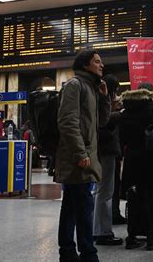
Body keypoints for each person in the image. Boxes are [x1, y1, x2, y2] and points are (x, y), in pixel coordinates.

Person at [55, 49, 111, 262]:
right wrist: (80, 153)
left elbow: (102, 123)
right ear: (85, 65)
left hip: (85, 155)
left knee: (71, 205)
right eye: (97, 61)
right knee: (84, 206)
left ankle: (67, 252)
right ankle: (88, 254)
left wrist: (104, 99)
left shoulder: (92, 88)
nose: (101, 65)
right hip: (78, 157)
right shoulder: (75, 85)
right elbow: (67, 122)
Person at [119, 82, 153, 251]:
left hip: (132, 158)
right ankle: (150, 236)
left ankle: (132, 236)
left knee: (134, 196)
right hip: (151, 158)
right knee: (148, 195)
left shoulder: (126, 109)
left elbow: (121, 136)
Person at [92, 74, 123, 246]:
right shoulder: (102, 100)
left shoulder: (94, 97)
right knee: (105, 191)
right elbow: (103, 123)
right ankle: (103, 232)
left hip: (98, 149)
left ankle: (96, 229)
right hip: (106, 149)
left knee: (99, 191)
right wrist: (120, 114)